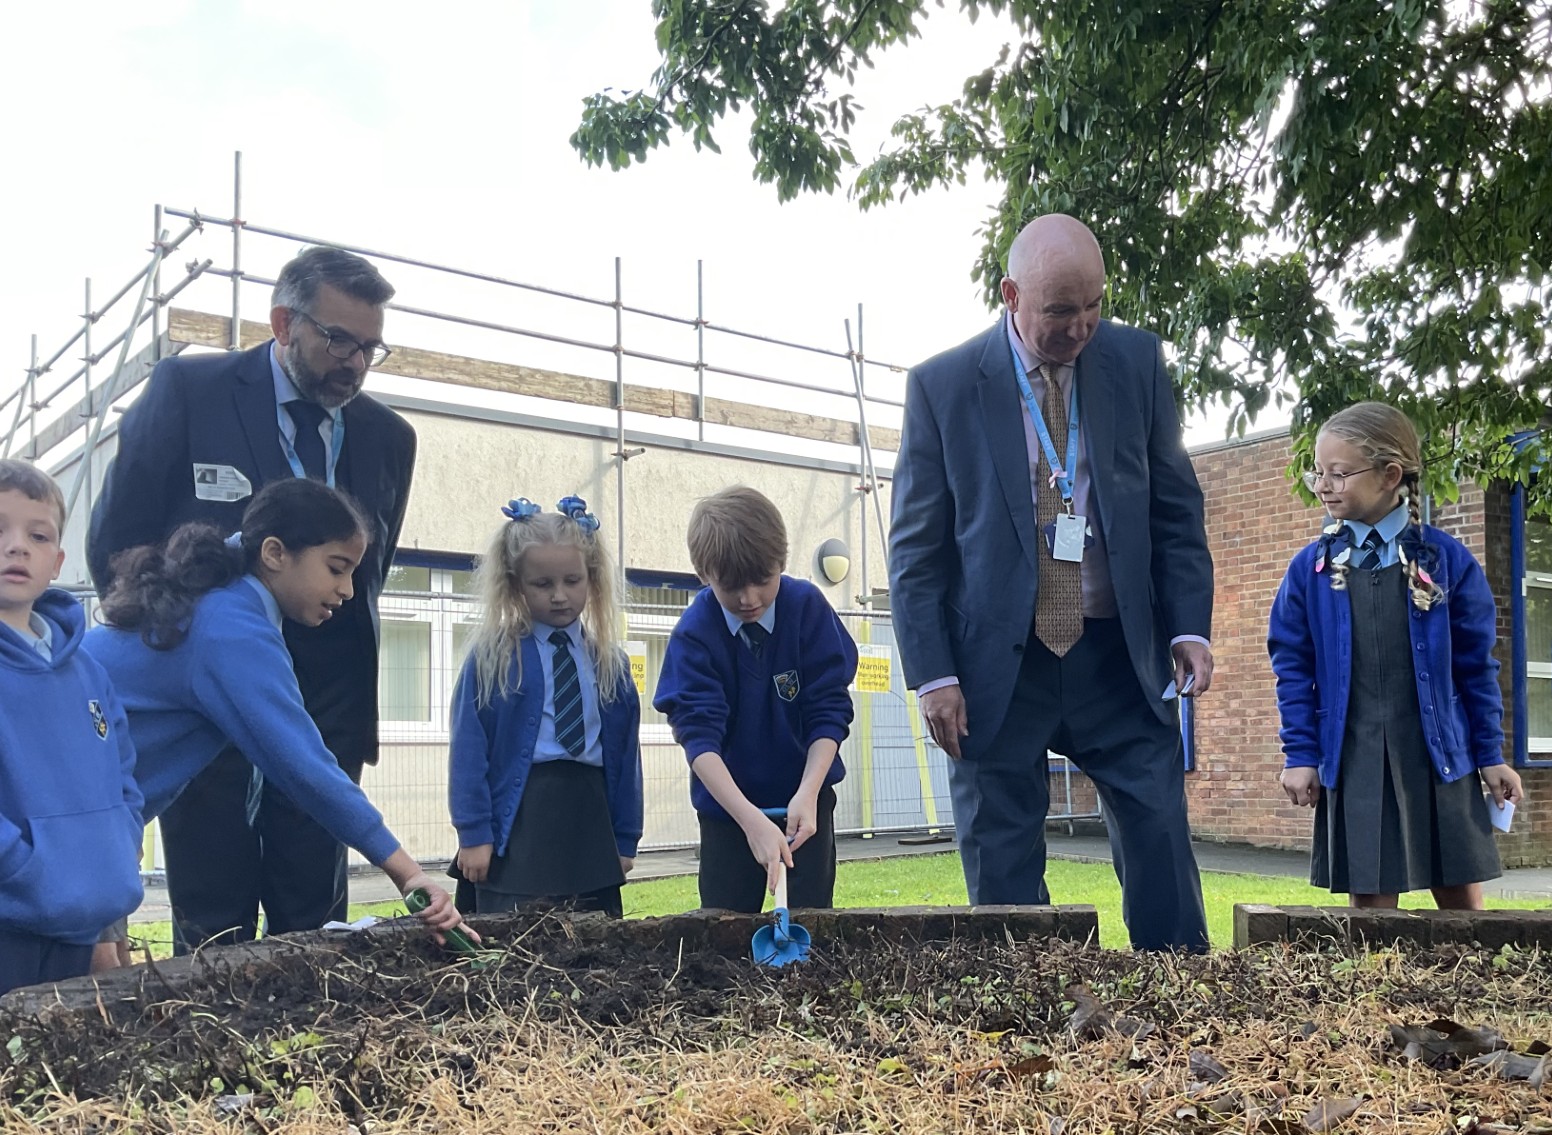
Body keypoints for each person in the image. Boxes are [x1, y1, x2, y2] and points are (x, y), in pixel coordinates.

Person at [888, 214, 1214, 951]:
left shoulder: (1136, 363)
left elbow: (1175, 505)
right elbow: (916, 549)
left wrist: (1189, 626)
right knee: (1003, 866)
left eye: (1094, 305)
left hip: (1117, 655)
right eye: (1060, 311)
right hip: (999, 665)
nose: (1082, 327)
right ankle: (1034, 1012)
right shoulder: (942, 388)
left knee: (1159, 831)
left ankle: (1181, 997)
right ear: (1011, 295)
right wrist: (934, 675)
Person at [85, 246, 417, 951]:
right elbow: (117, 539)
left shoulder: (390, 439)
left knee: (316, 932)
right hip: (201, 704)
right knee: (212, 930)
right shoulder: (187, 391)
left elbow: (365, 579)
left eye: (370, 346)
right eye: (337, 339)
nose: (354, 362)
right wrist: (178, 651)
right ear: (282, 323)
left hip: (322, 714)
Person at [82, 480, 467, 942]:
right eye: (336, 568)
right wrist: (408, 873)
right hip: (68, 819)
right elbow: (304, 767)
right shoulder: (230, 629)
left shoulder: (216, 600)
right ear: (274, 553)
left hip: (84, 821)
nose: (346, 590)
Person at [1267, 404, 1523, 909]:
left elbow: (1477, 668)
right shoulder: (1308, 570)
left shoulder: (1447, 561)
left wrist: (1490, 754)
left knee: (1461, 908)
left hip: (1440, 756)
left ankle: (1470, 988)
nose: (1324, 484)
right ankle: (1372, 991)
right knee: (1371, 914)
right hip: (1355, 755)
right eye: (1318, 472)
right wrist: (1300, 755)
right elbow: (1291, 668)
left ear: (1390, 476)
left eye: (1339, 473)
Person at [653, 486, 857, 909]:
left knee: (810, 928)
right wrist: (750, 820)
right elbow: (699, 739)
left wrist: (807, 793)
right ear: (703, 573)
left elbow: (828, 711)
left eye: (762, 581)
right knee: (723, 935)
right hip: (728, 814)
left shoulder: (807, 609)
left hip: (805, 805)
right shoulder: (695, 634)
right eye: (731, 587)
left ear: (781, 561)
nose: (749, 599)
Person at [449, 497, 642, 917]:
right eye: (543, 584)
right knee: (515, 952)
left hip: (588, 829)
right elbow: (468, 750)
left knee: (595, 953)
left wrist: (625, 839)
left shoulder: (611, 664)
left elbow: (627, 757)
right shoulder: (492, 658)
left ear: (591, 580)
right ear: (516, 584)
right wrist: (474, 833)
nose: (559, 596)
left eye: (572, 581)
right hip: (518, 830)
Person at [0, 460, 145, 993]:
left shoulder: (87, 669)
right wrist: (24, 870)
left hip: (78, 926)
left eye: (37, 535)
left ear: (57, 560)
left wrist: (120, 841)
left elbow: (123, 772)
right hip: (9, 926)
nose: (18, 546)